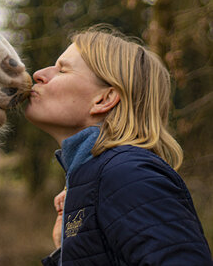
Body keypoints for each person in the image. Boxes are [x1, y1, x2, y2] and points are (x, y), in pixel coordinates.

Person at [24, 25, 212, 265]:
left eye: (62, 70)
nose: (39, 74)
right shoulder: (102, 178)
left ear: (105, 99)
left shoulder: (128, 174)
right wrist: (65, 249)